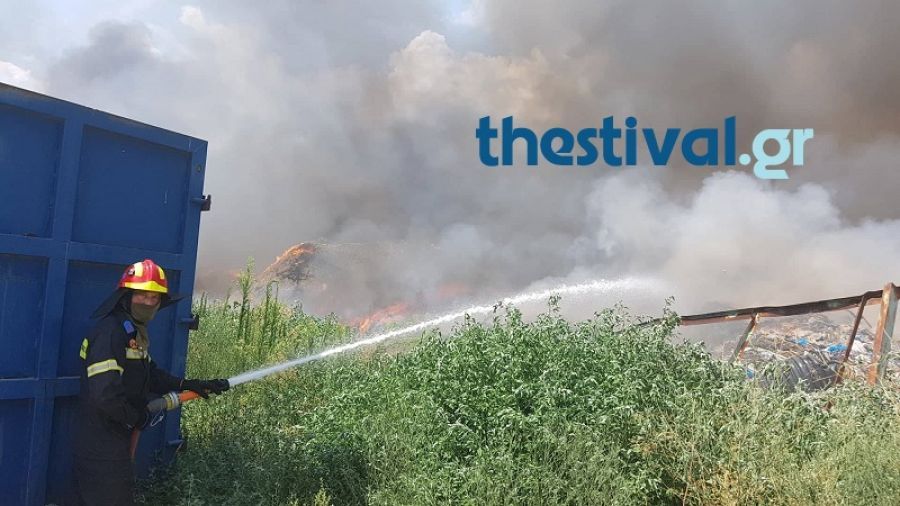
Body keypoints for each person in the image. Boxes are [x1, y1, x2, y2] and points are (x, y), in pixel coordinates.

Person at [68, 259, 229, 506]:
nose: (149, 302)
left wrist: (188, 384)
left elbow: (150, 375)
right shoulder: (110, 333)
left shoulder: (132, 333)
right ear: (126, 296)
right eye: (142, 295)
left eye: (154, 298)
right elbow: (105, 396)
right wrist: (136, 418)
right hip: (101, 447)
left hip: (114, 443)